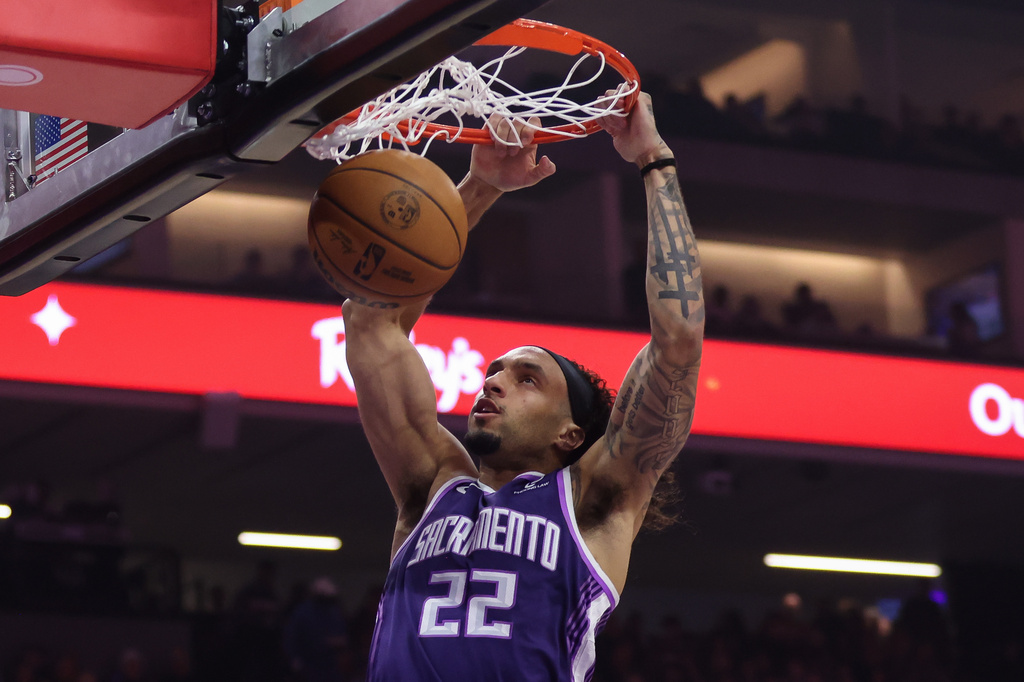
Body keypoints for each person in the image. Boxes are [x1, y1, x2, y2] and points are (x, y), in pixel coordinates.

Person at [342, 92, 704, 681]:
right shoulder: (433, 485)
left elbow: (678, 340)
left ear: (571, 431)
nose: (495, 383)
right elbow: (370, 320)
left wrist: (653, 160)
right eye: (494, 371)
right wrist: (482, 185)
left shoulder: (594, 503)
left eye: (526, 378)